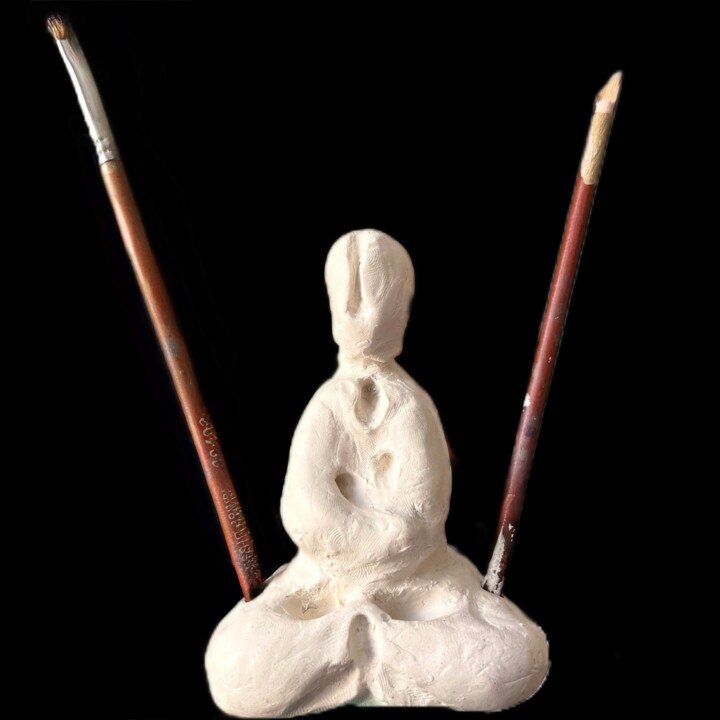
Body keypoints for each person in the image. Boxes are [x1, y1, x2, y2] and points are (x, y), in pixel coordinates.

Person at [206, 230, 549, 717]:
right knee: (232, 668)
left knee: (515, 657)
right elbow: (305, 512)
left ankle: (364, 648)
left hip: (422, 577)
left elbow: (423, 512)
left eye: (376, 296)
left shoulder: (412, 407)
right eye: (349, 297)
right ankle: (369, 646)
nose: (360, 311)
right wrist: (381, 538)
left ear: (404, 311)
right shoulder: (326, 407)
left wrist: (385, 542)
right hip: (323, 579)